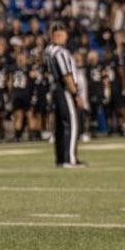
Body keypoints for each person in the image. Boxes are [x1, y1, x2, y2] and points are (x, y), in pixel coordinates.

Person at [44, 21, 86, 168]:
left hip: (54, 89)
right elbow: (66, 75)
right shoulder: (60, 52)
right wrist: (76, 94)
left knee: (60, 126)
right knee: (71, 123)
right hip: (64, 90)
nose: (60, 36)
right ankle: (70, 159)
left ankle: (61, 159)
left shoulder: (49, 51)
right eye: (57, 34)